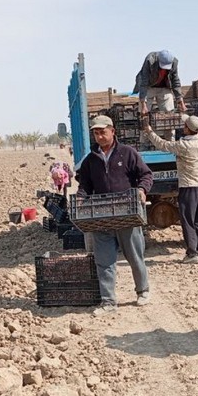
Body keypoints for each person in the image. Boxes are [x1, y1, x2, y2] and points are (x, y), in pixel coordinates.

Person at [76, 115, 154, 316]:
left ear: (113, 131)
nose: (99, 136)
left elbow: (146, 175)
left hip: (126, 212)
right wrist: (80, 198)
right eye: (96, 132)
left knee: (135, 255)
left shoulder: (128, 153)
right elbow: (85, 185)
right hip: (101, 215)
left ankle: (143, 291)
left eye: (103, 132)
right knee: (104, 260)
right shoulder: (90, 160)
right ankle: (108, 301)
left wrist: (142, 190)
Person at [143, 114, 198, 264]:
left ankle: (192, 253)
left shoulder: (183, 146)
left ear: (188, 129)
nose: (183, 127)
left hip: (187, 188)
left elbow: (162, 144)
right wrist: (195, 124)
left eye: (185, 125)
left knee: (188, 221)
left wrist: (149, 131)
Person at [133, 49, 187, 140]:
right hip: (148, 87)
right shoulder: (150, 60)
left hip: (164, 87)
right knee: (144, 115)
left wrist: (180, 100)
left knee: (169, 115)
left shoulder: (174, 62)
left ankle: (170, 142)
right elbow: (144, 80)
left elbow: (175, 81)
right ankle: (145, 144)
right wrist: (143, 103)